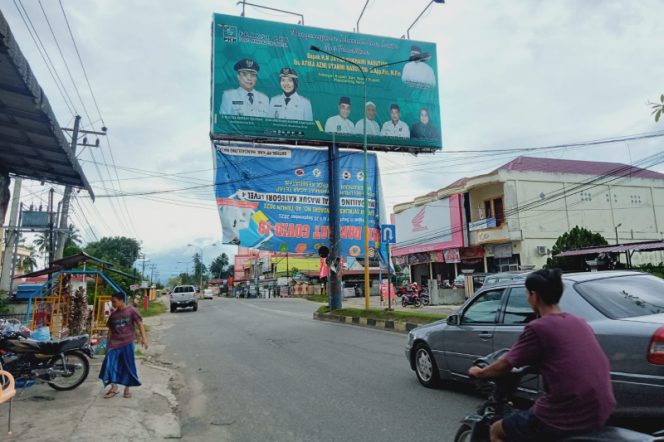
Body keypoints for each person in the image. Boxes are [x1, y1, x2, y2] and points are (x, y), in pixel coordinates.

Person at [468, 269, 616, 442]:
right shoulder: (579, 322)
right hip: (601, 408)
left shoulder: (538, 327)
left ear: (534, 295)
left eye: (527, 293)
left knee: (496, 430)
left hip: (564, 413)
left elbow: (506, 364)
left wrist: (479, 372)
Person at [99, 292, 148, 399]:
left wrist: (144, 339)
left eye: (114, 301)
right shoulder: (113, 315)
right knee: (108, 364)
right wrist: (108, 345)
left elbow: (140, 323)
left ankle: (127, 389)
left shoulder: (131, 311)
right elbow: (110, 330)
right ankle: (114, 387)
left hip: (127, 342)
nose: (112, 304)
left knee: (128, 366)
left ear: (121, 300)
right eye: (112, 302)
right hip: (114, 344)